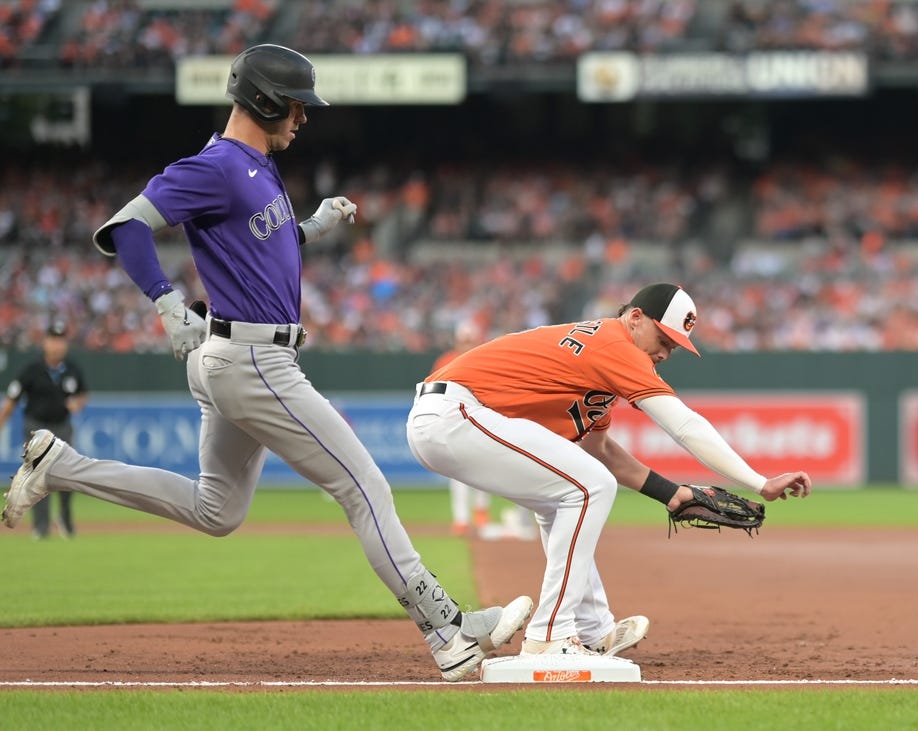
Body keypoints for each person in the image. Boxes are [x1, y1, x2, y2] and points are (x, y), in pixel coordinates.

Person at [0, 44, 532, 682]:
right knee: (364, 486)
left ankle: (61, 466)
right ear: (266, 100)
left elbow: (258, 246)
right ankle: (447, 630)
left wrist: (310, 226)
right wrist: (166, 303)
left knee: (216, 511)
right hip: (253, 360)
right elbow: (126, 227)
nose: (305, 118)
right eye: (299, 106)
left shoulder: (255, 167)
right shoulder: (219, 165)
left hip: (236, 355)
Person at [406, 282, 812, 658]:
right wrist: (760, 482)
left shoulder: (602, 362)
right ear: (635, 318)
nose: (666, 353)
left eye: (676, 346)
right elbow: (685, 425)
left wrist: (671, 494)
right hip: (454, 413)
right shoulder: (615, 345)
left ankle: (595, 631)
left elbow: (599, 451)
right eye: (664, 339)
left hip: (451, 418)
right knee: (587, 487)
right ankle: (550, 636)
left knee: (568, 494)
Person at [0, 319, 87, 540]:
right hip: (36, 427)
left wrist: (77, 403)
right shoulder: (31, 369)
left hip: (62, 426)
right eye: (53, 340)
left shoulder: (72, 368)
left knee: (69, 475)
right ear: (45, 343)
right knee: (39, 478)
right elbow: (12, 398)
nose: (57, 345)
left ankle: (65, 521)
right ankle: (41, 527)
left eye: (61, 340)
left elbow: (83, 394)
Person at [431, 321, 492, 535]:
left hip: (479, 419)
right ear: (457, 340)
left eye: (470, 340)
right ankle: (461, 519)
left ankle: (481, 512)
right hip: (453, 420)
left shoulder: (484, 358)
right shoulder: (445, 361)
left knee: (484, 469)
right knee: (457, 472)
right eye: (463, 340)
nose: (466, 344)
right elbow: (434, 392)